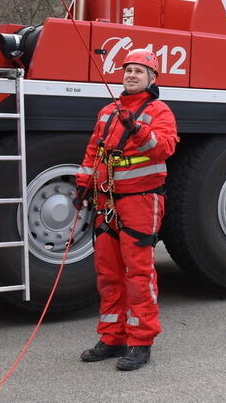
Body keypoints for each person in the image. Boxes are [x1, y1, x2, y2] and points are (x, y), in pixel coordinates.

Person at [73, 48, 178, 370]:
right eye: (128, 69)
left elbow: (164, 148)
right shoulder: (108, 111)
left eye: (139, 71)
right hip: (106, 201)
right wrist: (82, 184)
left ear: (152, 78)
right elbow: (94, 151)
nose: (131, 75)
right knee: (108, 273)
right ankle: (112, 336)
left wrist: (138, 129)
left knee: (138, 273)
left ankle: (140, 342)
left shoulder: (158, 111)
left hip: (141, 201)